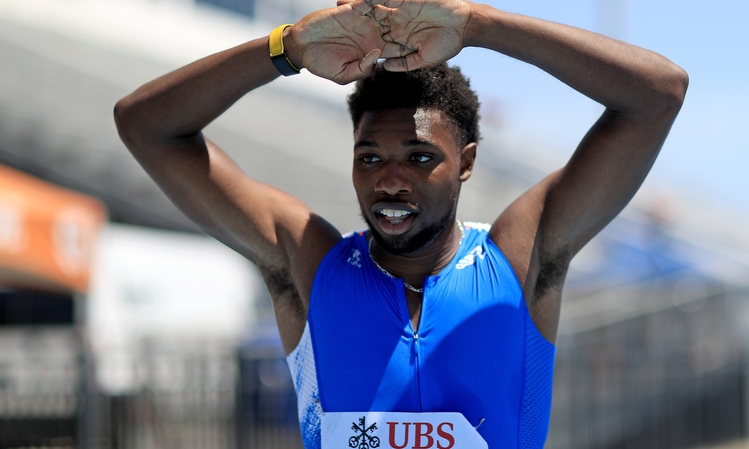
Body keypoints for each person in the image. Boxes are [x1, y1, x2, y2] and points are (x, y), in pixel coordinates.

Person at [114, 0, 687, 447]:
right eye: (370, 157)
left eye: (419, 157)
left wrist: (477, 24)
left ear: (464, 162)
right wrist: (286, 48)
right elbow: (144, 124)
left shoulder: (519, 258)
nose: (389, 180)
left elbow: (658, 92)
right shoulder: (310, 264)